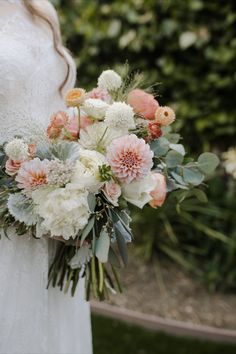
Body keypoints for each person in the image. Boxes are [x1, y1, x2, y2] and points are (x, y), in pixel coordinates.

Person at [0, 0, 93, 353]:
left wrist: (85, 179)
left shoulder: (40, 8)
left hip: (56, 202)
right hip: (7, 203)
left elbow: (59, 106)